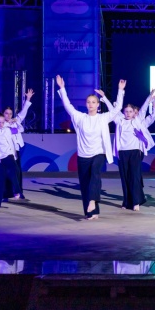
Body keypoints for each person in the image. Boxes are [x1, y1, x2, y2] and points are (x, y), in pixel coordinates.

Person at [55, 74, 119, 220]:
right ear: (86, 104)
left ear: (98, 105)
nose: (91, 104)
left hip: (99, 153)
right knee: (85, 184)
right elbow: (68, 106)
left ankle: (92, 201)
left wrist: (120, 91)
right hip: (83, 156)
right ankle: (92, 212)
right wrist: (62, 88)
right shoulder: (81, 117)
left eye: (93, 102)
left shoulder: (103, 118)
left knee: (95, 174)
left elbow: (116, 110)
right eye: (89, 102)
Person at [0, 89, 34, 200]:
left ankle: (18, 192)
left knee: (17, 172)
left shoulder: (15, 121)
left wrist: (28, 99)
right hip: (3, 153)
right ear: (2, 114)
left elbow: (23, 113)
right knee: (5, 173)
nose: (8, 116)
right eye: (6, 113)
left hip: (15, 151)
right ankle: (6, 193)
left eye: (10, 113)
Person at [112, 80, 155, 211]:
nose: (128, 113)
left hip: (136, 152)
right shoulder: (120, 122)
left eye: (130, 111)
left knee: (134, 176)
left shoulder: (138, 121)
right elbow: (114, 110)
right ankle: (127, 201)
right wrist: (108, 96)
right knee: (125, 177)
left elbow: (144, 110)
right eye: (126, 111)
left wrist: (150, 97)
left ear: (134, 113)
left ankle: (136, 201)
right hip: (123, 152)